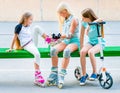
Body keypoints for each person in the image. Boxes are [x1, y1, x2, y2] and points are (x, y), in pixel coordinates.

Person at [46, 2, 80, 88]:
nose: (60, 15)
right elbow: (64, 36)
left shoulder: (74, 19)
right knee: (53, 50)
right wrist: (55, 39)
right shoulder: (65, 19)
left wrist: (58, 36)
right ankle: (54, 73)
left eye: (61, 13)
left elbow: (70, 35)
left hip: (74, 41)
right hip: (65, 41)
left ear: (65, 10)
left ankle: (62, 74)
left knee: (67, 51)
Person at [6, 12, 45, 87]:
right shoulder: (18, 26)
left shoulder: (28, 26)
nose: (31, 21)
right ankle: (37, 76)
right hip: (27, 45)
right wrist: (11, 48)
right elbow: (15, 38)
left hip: (32, 42)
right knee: (37, 54)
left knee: (36, 27)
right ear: (25, 19)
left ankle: (49, 40)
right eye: (30, 19)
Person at [79, 8, 105, 85]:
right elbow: (81, 36)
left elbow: (101, 19)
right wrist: (81, 47)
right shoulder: (84, 23)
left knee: (91, 52)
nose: (82, 19)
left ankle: (95, 73)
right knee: (82, 52)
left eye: (84, 17)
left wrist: (91, 25)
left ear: (89, 17)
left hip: (99, 43)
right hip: (90, 42)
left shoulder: (98, 21)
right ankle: (84, 74)